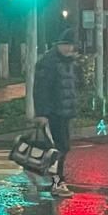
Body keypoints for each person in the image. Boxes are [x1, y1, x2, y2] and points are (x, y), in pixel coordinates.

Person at [34, 29, 79, 198]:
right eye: (66, 45)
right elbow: (41, 90)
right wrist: (42, 113)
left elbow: (72, 86)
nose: (69, 48)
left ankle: (56, 181)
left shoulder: (68, 62)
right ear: (58, 45)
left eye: (71, 45)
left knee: (61, 148)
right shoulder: (49, 62)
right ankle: (57, 183)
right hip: (53, 113)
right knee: (59, 148)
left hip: (64, 112)